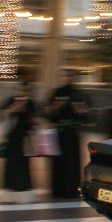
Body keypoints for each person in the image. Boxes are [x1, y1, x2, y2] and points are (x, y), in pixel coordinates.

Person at [46, 68, 88, 199]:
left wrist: (80, 110)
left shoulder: (78, 93)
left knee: (71, 163)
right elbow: (48, 112)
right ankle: (60, 190)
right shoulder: (59, 92)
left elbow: (87, 113)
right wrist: (56, 107)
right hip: (62, 131)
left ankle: (70, 189)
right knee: (61, 162)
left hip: (72, 132)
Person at [0, 75, 37, 203]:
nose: (22, 93)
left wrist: (34, 121)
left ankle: (23, 195)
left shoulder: (30, 103)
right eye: (20, 90)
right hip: (11, 139)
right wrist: (12, 110)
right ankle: (9, 194)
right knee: (10, 166)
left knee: (23, 167)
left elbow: (38, 119)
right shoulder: (11, 101)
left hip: (25, 140)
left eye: (25, 91)